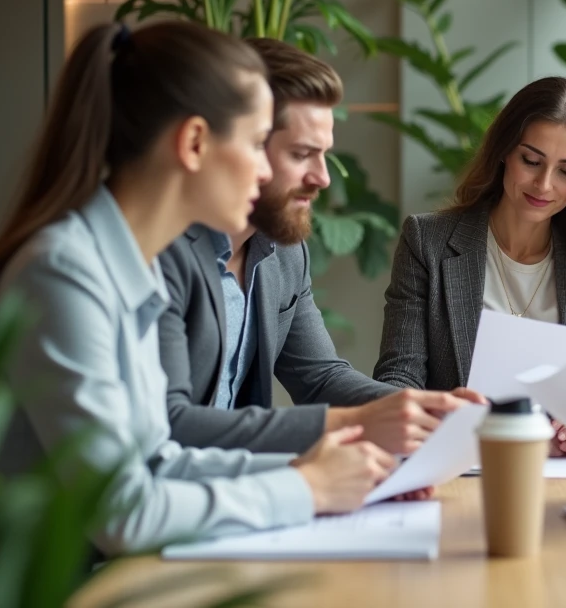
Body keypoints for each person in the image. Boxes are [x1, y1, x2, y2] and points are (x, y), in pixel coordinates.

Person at [0, 22, 403, 555]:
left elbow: (159, 459)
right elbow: (121, 511)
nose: (264, 167)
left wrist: (317, 469)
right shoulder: (63, 272)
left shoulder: (131, 264)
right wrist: (306, 486)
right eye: (253, 143)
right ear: (195, 143)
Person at [157, 38, 477, 456]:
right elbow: (170, 423)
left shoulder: (284, 251)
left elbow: (319, 378)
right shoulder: (162, 251)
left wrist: (416, 409)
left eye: (324, 155)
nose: (322, 178)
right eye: (302, 154)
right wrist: (354, 424)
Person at [373, 76, 566, 455]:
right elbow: (398, 379)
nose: (544, 185)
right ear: (504, 152)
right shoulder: (427, 242)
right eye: (531, 161)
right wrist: (446, 417)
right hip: (462, 467)